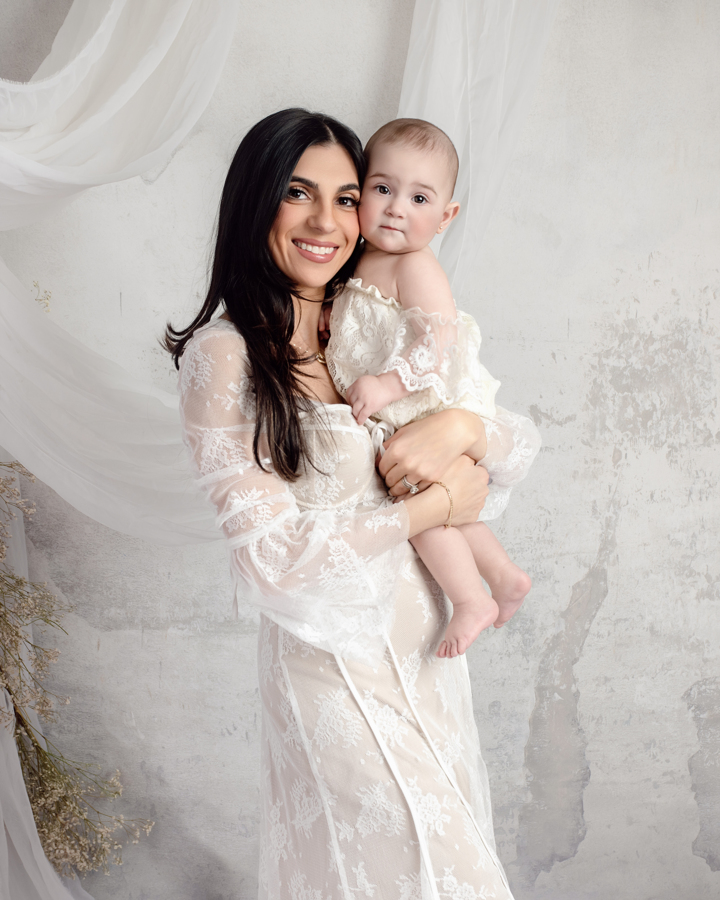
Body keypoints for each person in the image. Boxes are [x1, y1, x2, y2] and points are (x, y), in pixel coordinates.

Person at [166, 108, 537, 899]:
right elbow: (272, 559)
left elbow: (512, 443)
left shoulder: (366, 322)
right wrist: (430, 509)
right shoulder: (224, 356)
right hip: (329, 660)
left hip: (427, 649)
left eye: (344, 197)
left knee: (447, 858)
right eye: (298, 193)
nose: (326, 221)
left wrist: (462, 428)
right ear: (254, 203)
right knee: (414, 871)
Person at [325, 118, 539, 660]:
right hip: (399, 411)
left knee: (417, 499)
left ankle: (470, 599)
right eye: (383, 189)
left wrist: (386, 382)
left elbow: (435, 342)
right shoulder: (361, 261)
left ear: (445, 217)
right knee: (442, 502)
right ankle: (504, 575)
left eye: (419, 198)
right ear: (360, 193)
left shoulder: (415, 265)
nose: (397, 207)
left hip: (425, 402)